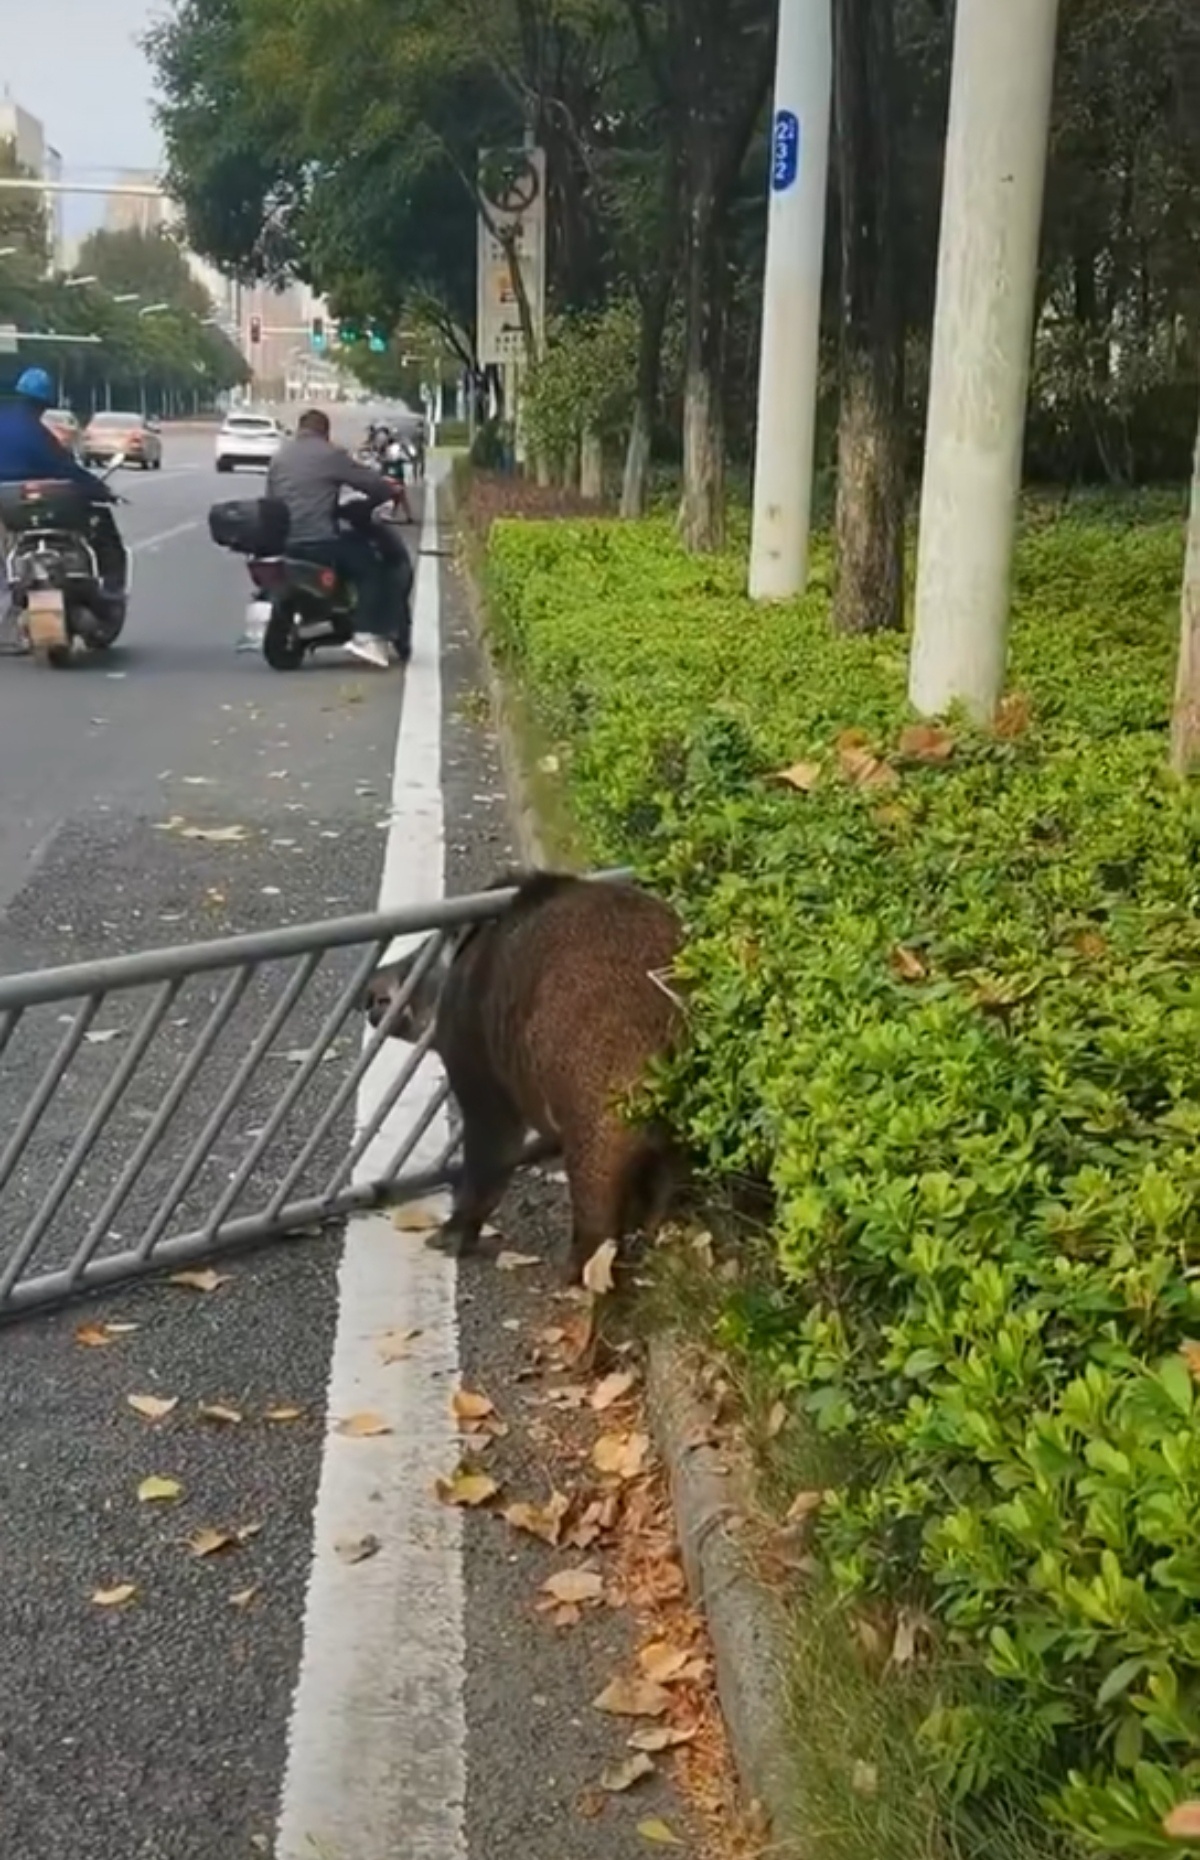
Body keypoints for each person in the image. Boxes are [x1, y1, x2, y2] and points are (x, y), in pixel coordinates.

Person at [265, 406, 407, 669]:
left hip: (285, 543)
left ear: (300, 429)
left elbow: (271, 499)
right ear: (325, 432)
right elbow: (372, 484)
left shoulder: (280, 457)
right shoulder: (330, 455)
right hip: (320, 542)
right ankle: (366, 634)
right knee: (373, 568)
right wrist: (386, 490)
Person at [0, 367, 129, 613]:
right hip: (44, 504)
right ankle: (111, 587)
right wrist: (99, 489)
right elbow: (66, 469)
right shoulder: (37, 434)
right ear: (45, 402)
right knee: (101, 525)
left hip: (7, 508)